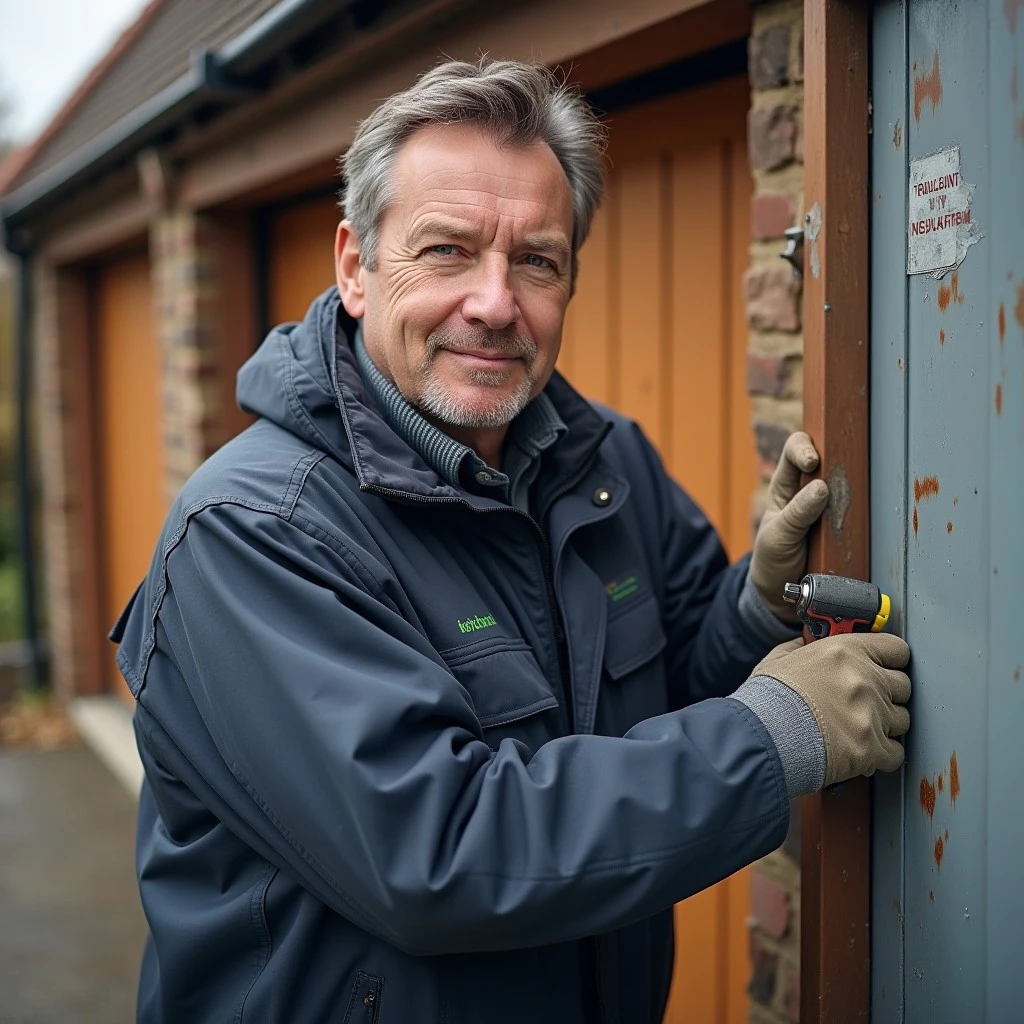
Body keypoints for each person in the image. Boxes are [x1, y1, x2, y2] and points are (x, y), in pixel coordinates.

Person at [114, 59, 911, 1024]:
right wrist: (774, 737)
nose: (496, 304)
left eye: (536, 259)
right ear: (355, 267)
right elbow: (436, 853)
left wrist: (757, 605)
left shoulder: (605, 461)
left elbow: (672, 700)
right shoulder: (251, 535)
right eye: (447, 250)